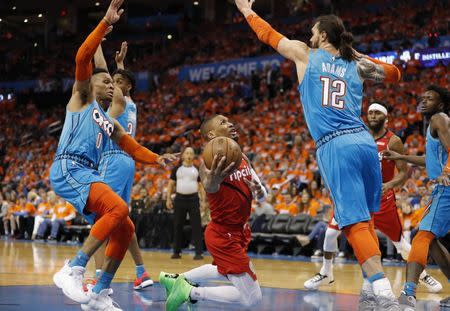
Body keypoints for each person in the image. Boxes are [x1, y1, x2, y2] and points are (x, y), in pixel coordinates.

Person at [235, 1, 401, 309]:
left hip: (336, 144)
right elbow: (395, 74)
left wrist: (246, 10)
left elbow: (268, 35)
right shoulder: (356, 63)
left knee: (353, 223)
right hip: (365, 141)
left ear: (323, 35)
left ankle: (386, 295)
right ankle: (369, 288)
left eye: (313, 32)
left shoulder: (306, 54)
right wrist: (360, 57)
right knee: (366, 220)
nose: (310, 37)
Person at [49, 1, 176, 310]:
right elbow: (83, 57)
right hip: (68, 167)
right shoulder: (81, 97)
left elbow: (130, 145)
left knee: (125, 227)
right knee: (118, 207)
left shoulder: (109, 121)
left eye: (112, 82)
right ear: (90, 83)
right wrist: (104, 23)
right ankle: (73, 268)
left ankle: (99, 294)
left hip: (86, 173)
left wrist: (157, 159)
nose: (110, 85)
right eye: (105, 80)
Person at [303, 103, 442, 293]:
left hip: (382, 198)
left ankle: (422, 275)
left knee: (400, 244)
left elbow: (403, 172)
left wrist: (391, 185)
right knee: (329, 233)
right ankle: (326, 272)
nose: (373, 115)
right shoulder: (359, 138)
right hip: (355, 196)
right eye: (370, 113)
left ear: (386, 117)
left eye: (377, 112)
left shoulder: (393, 141)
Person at [160, 115, 267, 310]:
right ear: (212, 134)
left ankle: (177, 279)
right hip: (223, 235)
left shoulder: (240, 156)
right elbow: (209, 184)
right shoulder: (205, 165)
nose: (231, 123)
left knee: (222, 270)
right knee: (253, 298)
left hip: (239, 231)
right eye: (223, 123)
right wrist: (213, 181)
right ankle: (190, 292)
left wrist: (259, 191)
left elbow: (262, 195)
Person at [89, 38, 154, 290]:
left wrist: (96, 43)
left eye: (115, 83)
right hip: (127, 162)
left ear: (123, 86)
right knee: (122, 221)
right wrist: (121, 64)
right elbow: (121, 79)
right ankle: (141, 271)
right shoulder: (132, 103)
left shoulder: (119, 101)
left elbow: (103, 71)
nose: (110, 85)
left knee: (100, 219)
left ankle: (97, 276)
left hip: (113, 160)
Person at [383, 85, 450, 309]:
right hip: (442, 186)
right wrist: (401, 156)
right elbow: (429, 160)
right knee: (431, 243)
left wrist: (446, 173)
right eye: (423, 98)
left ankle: (408, 292)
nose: (424, 101)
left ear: (440, 104)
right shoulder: (435, 124)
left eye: (430, 98)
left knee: (421, 237)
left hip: (446, 188)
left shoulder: (439, 118)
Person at [166, 147, 206, 260]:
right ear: (183, 155)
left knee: (197, 226)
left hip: (193, 199)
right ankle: (176, 252)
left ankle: (199, 252)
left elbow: (201, 187)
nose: (189, 155)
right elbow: (170, 185)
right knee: (178, 225)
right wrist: (168, 199)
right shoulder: (177, 169)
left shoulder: (197, 169)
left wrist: (203, 201)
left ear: (193, 156)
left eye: (191, 153)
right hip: (179, 199)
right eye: (187, 153)